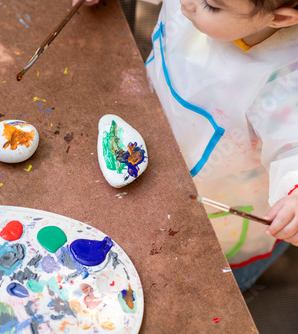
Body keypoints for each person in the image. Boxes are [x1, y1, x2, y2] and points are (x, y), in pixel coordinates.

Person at [74, 0, 298, 291]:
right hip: (152, 133)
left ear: (279, 18)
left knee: (206, 286)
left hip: (222, 219)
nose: (186, 2)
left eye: (211, 5)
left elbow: (292, 149)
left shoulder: (285, 82)